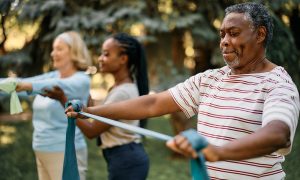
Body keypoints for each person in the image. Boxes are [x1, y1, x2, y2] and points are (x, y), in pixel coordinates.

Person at [66, 2, 299, 180]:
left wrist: (217, 152)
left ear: (260, 35)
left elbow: (278, 135)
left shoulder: (277, 84)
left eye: (234, 33)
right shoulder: (210, 79)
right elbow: (153, 104)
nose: (224, 42)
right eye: (222, 35)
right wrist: (92, 111)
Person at [55, 33, 149, 180]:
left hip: (126, 160)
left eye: (106, 54)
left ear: (123, 59)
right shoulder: (120, 87)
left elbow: (92, 131)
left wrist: (62, 100)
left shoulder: (122, 93)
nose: (100, 58)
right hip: (125, 157)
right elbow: (99, 118)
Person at [11, 31, 91, 180]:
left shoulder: (81, 80)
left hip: (65, 151)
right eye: (53, 49)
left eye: (59, 49)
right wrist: (10, 85)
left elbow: (52, 86)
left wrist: (24, 85)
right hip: (41, 150)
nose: (53, 53)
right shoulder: (53, 75)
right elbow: (22, 85)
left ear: (74, 52)